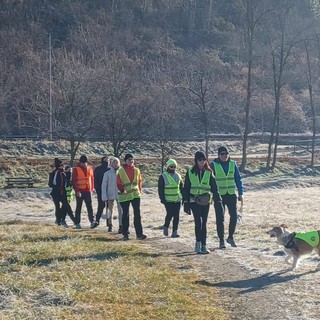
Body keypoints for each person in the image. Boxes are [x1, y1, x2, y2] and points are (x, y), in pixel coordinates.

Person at [183, 151, 223, 254]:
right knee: (198, 222)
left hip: (205, 201)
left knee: (204, 223)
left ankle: (204, 245)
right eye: (200, 160)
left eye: (204, 160)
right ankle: (198, 244)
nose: (202, 162)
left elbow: (214, 187)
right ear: (196, 161)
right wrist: (186, 202)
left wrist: (218, 200)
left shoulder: (209, 172)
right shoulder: (190, 172)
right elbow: (186, 187)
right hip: (193, 201)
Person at [210, 146, 244, 248]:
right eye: (222, 154)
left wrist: (241, 193)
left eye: (226, 154)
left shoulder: (233, 164)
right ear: (218, 155)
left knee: (234, 216)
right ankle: (221, 240)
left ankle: (230, 237)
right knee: (220, 218)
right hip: (219, 196)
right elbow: (209, 181)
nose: (224, 156)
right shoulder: (213, 165)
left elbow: (238, 179)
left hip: (231, 194)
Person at [117, 153, 146, 241]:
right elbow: (118, 182)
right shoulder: (121, 171)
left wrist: (139, 191)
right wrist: (122, 190)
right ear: (125, 161)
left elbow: (139, 181)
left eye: (132, 159)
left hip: (135, 195)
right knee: (125, 215)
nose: (131, 161)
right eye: (129, 159)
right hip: (124, 196)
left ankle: (139, 234)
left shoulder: (137, 170)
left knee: (137, 214)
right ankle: (125, 234)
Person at [158, 159, 183, 238]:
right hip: (168, 199)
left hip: (177, 199)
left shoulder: (178, 176)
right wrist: (162, 199)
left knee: (176, 216)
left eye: (174, 167)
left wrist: (183, 197)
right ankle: (166, 226)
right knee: (170, 214)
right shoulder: (163, 176)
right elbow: (160, 189)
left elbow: (181, 187)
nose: (173, 168)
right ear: (168, 167)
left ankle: (175, 231)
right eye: (171, 166)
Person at [48, 158, 76, 227]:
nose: (62, 167)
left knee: (66, 207)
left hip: (63, 193)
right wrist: (57, 187)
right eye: (61, 165)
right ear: (58, 166)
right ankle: (58, 221)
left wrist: (69, 173)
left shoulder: (64, 173)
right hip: (56, 193)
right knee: (57, 207)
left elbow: (67, 183)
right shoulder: (54, 173)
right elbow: (50, 184)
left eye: (62, 165)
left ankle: (74, 221)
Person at [72, 155, 95, 229]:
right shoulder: (76, 169)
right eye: (83, 163)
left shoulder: (90, 169)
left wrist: (92, 189)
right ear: (80, 162)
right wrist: (77, 190)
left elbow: (92, 179)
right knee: (78, 207)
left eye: (85, 163)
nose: (85, 164)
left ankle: (92, 221)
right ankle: (77, 223)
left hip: (88, 191)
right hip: (80, 191)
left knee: (90, 207)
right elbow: (74, 181)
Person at [101, 157, 123, 233]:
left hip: (120, 194)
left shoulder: (122, 172)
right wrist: (104, 196)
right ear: (111, 163)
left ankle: (121, 225)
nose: (115, 164)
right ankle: (110, 224)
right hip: (110, 194)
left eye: (116, 162)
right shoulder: (107, 173)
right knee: (110, 210)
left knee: (121, 210)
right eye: (114, 162)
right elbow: (104, 185)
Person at [94, 156, 110, 227]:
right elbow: (96, 180)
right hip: (100, 190)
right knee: (101, 205)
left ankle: (109, 222)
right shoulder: (98, 169)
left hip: (109, 190)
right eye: (106, 160)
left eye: (108, 160)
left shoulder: (110, 169)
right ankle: (97, 220)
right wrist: (97, 189)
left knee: (109, 206)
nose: (107, 162)